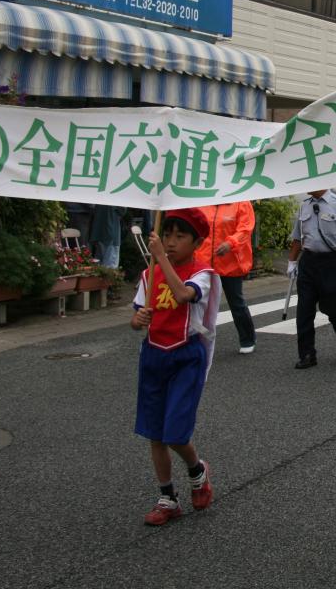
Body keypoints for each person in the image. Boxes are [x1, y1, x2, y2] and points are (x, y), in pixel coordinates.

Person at [130, 208, 220, 525]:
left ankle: (197, 470)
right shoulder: (149, 274)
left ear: (196, 242)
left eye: (180, 237)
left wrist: (160, 259)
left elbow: (183, 295)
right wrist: (137, 319)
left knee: (176, 432)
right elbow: (137, 315)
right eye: (167, 235)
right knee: (155, 433)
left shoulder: (202, 274)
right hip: (154, 355)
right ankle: (167, 496)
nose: (170, 242)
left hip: (185, 356)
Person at [287, 188, 336, 369]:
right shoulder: (304, 206)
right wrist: (291, 261)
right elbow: (298, 237)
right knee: (304, 309)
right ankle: (307, 354)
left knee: (332, 307)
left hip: (332, 261)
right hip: (309, 261)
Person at [194, 202, 257, 354]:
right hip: (203, 263)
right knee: (198, 304)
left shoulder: (241, 203)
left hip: (230, 263)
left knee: (236, 302)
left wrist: (230, 243)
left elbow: (245, 228)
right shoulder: (204, 201)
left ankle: (248, 339)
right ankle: (199, 338)